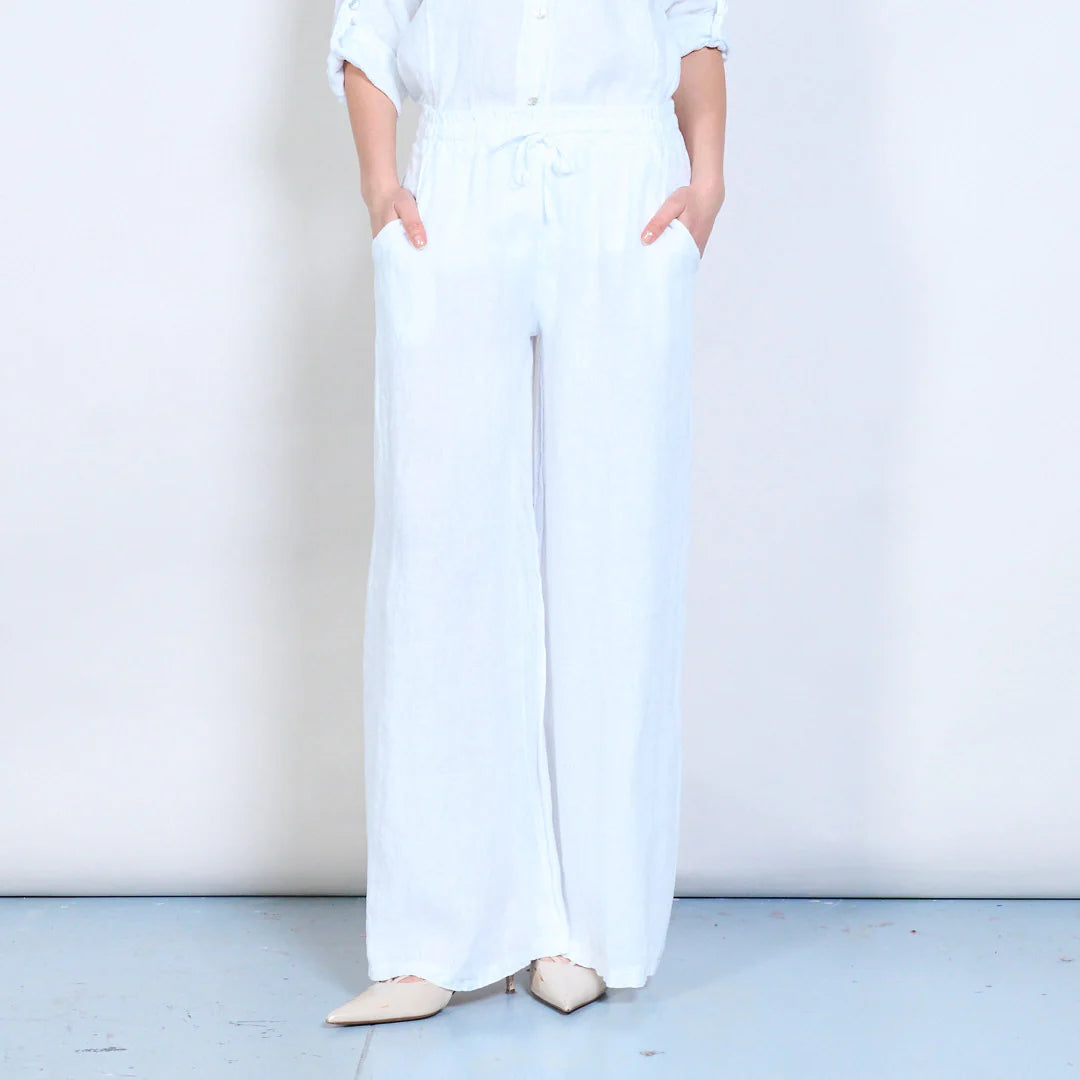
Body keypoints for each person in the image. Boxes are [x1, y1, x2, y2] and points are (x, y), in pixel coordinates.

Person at [322, 0, 729, 1025]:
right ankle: (431, 936)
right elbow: (366, 28)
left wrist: (707, 180)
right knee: (439, 548)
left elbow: (694, 20)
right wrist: (381, 187)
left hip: (623, 189)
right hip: (459, 177)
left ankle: (587, 930)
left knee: (616, 542)